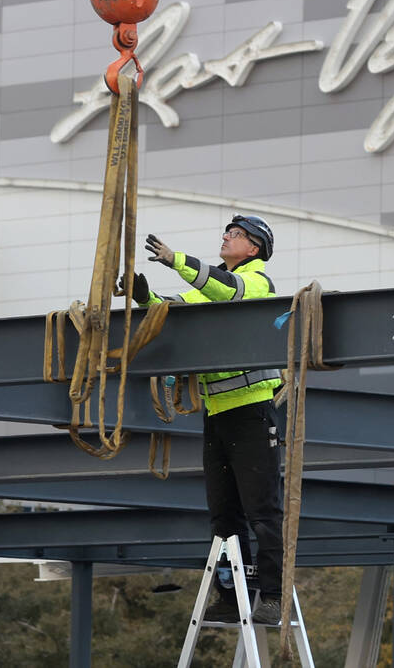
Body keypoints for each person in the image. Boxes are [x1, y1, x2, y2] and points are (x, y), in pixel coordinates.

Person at [138, 214, 284, 625]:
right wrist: (144, 299)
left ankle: (271, 597)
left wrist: (175, 260)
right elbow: (173, 312)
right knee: (224, 515)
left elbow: (228, 292)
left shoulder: (257, 283)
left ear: (254, 248)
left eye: (235, 234)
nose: (226, 237)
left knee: (263, 511)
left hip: (252, 412)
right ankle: (231, 595)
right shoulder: (213, 286)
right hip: (218, 416)